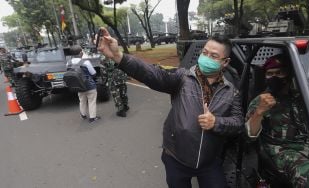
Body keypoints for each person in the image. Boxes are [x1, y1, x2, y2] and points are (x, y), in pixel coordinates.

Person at [97, 27, 244, 188]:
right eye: (205, 52)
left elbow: (238, 123)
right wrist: (119, 56)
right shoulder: (183, 77)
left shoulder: (231, 91)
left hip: (209, 163)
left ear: (225, 62)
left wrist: (216, 122)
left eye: (214, 56)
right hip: (176, 159)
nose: (206, 58)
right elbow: (152, 74)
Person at [245, 54, 309, 187]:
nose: (274, 77)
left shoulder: (302, 97)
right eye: (270, 73)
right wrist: (259, 112)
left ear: (288, 74)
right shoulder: (261, 100)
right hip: (282, 151)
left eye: (279, 72)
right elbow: (249, 136)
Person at [67, 45, 101, 123]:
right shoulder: (85, 62)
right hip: (89, 86)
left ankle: (83, 115)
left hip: (78, 86)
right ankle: (92, 118)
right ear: (81, 53)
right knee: (91, 101)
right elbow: (93, 73)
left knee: (82, 100)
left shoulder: (68, 63)